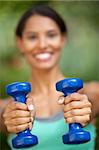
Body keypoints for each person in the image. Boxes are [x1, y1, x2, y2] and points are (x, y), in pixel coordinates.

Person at [0, 5, 99, 150]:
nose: (42, 44)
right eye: (32, 37)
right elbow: (2, 117)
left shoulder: (91, 93)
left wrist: (85, 110)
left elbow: (92, 101)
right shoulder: (7, 108)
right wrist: (8, 118)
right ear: (20, 43)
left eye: (51, 35)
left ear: (63, 39)